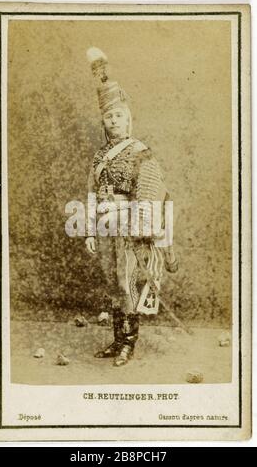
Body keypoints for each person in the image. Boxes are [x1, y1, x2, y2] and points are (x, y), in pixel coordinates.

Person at [85, 47, 178, 367]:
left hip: (128, 229)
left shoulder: (140, 152)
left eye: (119, 115)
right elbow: (92, 192)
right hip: (104, 228)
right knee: (112, 284)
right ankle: (116, 340)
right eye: (109, 116)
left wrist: (138, 229)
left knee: (126, 283)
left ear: (129, 118)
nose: (114, 120)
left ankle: (129, 344)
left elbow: (149, 191)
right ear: (104, 121)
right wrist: (88, 230)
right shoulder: (99, 157)